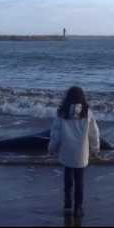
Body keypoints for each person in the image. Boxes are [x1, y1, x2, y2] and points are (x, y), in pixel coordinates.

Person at [48, 86, 100, 218]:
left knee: (67, 180)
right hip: (81, 153)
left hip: (66, 152)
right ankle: (78, 208)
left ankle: (67, 205)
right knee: (79, 181)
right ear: (82, 98)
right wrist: (95, 149)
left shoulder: (62, 112)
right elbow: (94, 133)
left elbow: (56, 134)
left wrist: (52, 148)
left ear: (68, 97)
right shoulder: (87, 113)